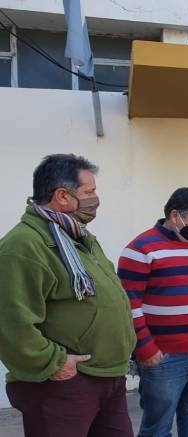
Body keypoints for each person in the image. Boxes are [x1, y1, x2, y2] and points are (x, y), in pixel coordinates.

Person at [0, 154, 136, 437]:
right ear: (63, 196)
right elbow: (11, 323)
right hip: (64, 383)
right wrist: (53, 362)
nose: (95, 199)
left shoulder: (78, 237)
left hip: (107, 375)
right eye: (89, 192)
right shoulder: (24, 245)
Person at [118, 188, 188, 437]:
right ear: (175, 215)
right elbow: (128, 305)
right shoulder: (140, 249)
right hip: (163, 358)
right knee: (158, 427)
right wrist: (145, 348)